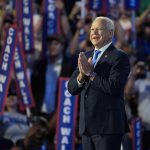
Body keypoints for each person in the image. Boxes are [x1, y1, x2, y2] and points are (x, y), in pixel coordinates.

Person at [68, 16, 130, 150]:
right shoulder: (86, 56)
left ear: (110, 33)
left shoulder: (119, 57)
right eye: (92, 29)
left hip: (108, 127)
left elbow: (114, 87)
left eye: (99, 29)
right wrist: (81, 75)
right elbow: (71, 88)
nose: (94, 33)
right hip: (87, 128)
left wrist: (90, 74)